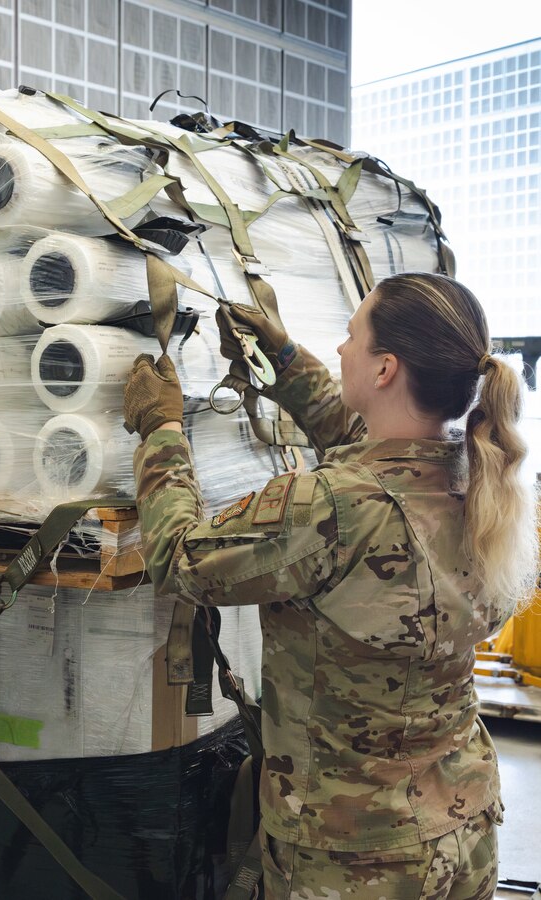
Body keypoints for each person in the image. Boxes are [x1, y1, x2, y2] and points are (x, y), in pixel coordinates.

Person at [124, 272, 539, 900]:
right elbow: (367, 450)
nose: (341, 349)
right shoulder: (481, 479)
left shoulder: (328, 508)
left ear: (385, 369)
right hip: (466, 827)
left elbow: (179, 557)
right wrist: (286, 362)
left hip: (353, 858)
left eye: (351, 336)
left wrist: (161, 429)